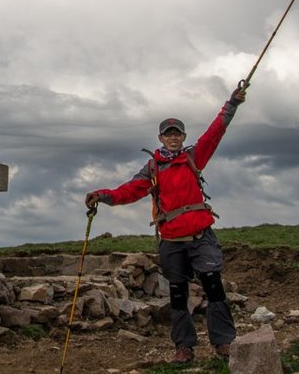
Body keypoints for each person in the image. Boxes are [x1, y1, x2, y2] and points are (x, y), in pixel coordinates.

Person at [85, 85, 246, 364]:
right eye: (168, 134)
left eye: (177, 133)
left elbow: (216, 131)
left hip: (200, 236)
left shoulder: (194, 157)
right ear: (160, 138)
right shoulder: (152, 168)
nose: (173, 138)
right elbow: (129, 190)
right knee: (178, 294)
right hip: (171, 240)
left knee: (214, 288)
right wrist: (103, 196)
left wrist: (232, 103)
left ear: (183, 137)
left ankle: (223, 343)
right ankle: (183, 348)